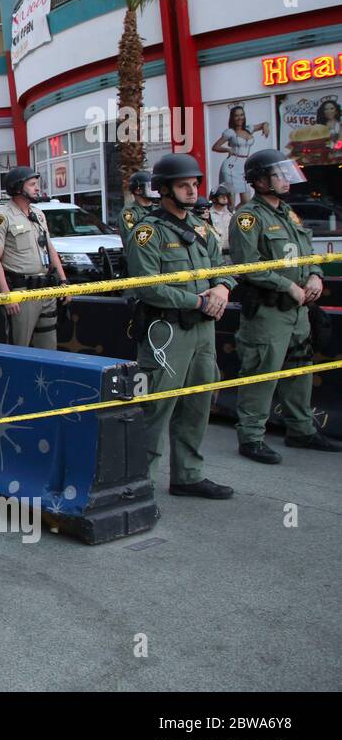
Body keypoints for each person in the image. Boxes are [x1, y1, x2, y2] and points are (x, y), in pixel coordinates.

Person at [124, 152, 234, 501]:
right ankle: (141, 483)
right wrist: (198, 301)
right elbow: (147, 285)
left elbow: (222, 263)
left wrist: (222, 286)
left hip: (203, 331)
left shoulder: (201, 227)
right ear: (164, 189)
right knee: (156, 407)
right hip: (166, 333)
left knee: (198, 403)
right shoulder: (147, 231)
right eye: (183, 184)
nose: (192, 190)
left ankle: (188, 475)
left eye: (194, 183)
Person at [228, 149, 342, 463]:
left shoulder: (289, 212)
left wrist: (316, 275)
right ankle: (250, 438)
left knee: (300, 369)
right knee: (262, 371)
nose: (286, 179)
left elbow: (306, 251)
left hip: (298, 311)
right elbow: (247, 265)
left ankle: (301, 430)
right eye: (278, 174)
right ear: (260, 181)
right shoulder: (248, 217)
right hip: (268, 311)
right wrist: (287, 285)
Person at [0, 167, 67, 349]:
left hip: (47, 291)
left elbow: (50, 249)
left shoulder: (38, 214)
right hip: (21, 295)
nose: (37, 188)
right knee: (18, 349)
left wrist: (63, 280)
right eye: (32, 184)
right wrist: (7, 296)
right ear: (17, 188)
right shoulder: (0, 217)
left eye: (36, 184)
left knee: (49, 351)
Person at [211, 105, 271, 207]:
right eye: (236, 116)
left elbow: (264, 124)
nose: (240, 118)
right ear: (232, 118)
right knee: (231, 201)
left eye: (242, 115)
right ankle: (229, 220)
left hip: (244, 167)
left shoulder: (249, 129)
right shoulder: (230, 132)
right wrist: (227, 149)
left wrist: (265, 126)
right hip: (231, 166)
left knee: (246, 200)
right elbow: (215, 147)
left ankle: (235, 217)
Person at [116, 171, 158, 237]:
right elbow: (134, 238)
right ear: (137, 190)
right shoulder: (129, 214)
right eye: (150, 187)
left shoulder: (159, 210)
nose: (154, 191)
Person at [209, 186, 234, 252]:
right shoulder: (208, 215)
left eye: (226, 196)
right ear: (214, 199)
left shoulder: (231, 214)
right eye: (221, 196)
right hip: (217, 254)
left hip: (231, 253)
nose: (225, 198)